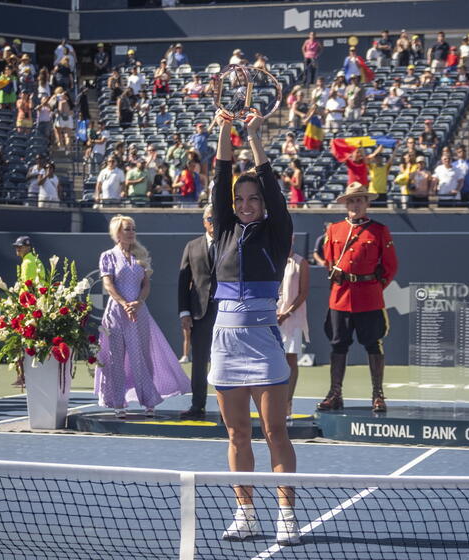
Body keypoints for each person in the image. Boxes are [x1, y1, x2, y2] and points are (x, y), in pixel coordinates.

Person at [209, 110, 297, 545]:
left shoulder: (278, 231)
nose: (245, 205)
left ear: (264, 204)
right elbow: (219, 177)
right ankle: (245, 513)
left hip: (263, 340)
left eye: (253, 199)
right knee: (237, 433)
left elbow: (272, 184)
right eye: (239, 199)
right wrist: (224, 130)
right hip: (224, 343)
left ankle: (286, 516)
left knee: (275, 430)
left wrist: (253, 136)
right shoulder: (223, 229)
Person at [95, 216, 189, 416]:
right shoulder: (108, 256)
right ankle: (118, 403)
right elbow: (108, 284)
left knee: (142, 357)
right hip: (115, 315)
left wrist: (138, 302)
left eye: (133, 229)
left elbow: (146, 284)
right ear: (117, 233)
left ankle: (149, 402)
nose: (131, 233)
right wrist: (124, 303)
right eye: (127, 229)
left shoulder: (141, 255)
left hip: (140, 314)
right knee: (116, 359)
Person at [319, 182, 398, 413]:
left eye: (359, 200)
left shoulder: (379, 230)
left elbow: (390, 266)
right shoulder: (334, 229)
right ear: (345, 204)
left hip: (369, 298)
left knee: (373, 344)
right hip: (341, 297)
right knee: (338, 345)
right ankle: (335, 393)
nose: (355, 204)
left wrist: (373, 285)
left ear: (367, 203)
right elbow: (329, 262)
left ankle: (378, 394)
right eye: (351, 200)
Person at [177, 206, 218, 419]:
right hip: (199, 313)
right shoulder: (192, 246)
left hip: (226, 313)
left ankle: (227, 408)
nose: (214, 222)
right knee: (200, 360)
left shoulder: (230, 243)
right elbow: (184, 282)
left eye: (217, 218)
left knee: (224, 362)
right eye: (210, 218)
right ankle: (197, 405)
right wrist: (184, 312)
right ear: (204, 221)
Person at [277, 246, 310, 418]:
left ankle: (287, 403)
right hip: (270, 316)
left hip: (292, 317)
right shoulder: (270, 258)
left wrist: (286, 313)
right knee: (272, 359)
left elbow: (303, 293)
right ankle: (272, 403)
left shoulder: (300, 262)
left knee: (290, 358)